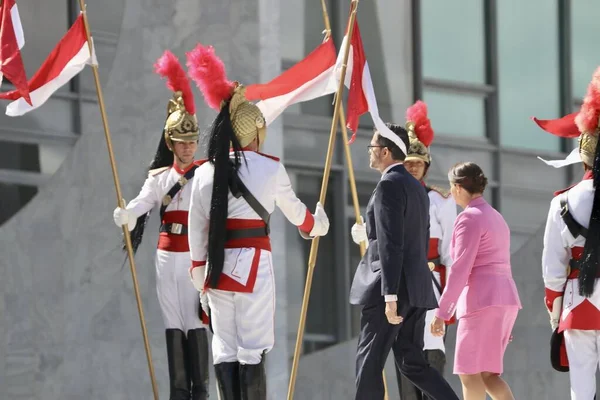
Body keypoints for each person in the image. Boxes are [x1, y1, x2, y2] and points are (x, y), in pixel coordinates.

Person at [185, 43, 330, 400]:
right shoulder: (269, 168)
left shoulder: (205, 172)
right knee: (252, 350)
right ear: (253, 133)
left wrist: (199, 274)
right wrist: (318, 223)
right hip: (253, 267)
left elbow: (196, 229)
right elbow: (300, 217)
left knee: (225, 348)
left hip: (215, 270)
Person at [112, 51, 209, 400]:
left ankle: (201, 390)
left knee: (195, 321)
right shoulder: (159, 178)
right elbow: (141, 203)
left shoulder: (205, 175)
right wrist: (127, 214)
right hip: (166, 255)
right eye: (181, 142)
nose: (187, 148)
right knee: (173, 322)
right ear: (170, 144)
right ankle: (178, 391)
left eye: (192, 141)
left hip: (195, 256)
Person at [349, 122, 459, 400]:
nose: (370, 152)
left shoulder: (388, 184)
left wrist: (389, 295)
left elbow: (390, 243)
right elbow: (418, 241)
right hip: (416, 287)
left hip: (390, 288)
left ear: (385, 151)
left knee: (370, 361)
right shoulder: (417, 188)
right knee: (413, 363)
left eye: (373, 147)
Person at [533, 67, 600, 399]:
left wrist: (555, 307)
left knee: (582, 388)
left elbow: (552, 267)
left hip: (579, 302)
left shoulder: (563, 201)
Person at [430, 162, 521, 400]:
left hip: (481, 302)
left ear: (459, 187)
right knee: (488, 375)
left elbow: (460, 270)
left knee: (469, 374)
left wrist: (442, 312)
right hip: (505, 300)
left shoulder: (468, 218)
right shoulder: (496, 216)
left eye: (452, 187)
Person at [391, 101, 458, 400]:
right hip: (400, 282)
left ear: (426, 166)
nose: (412, 167)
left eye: (417, 163)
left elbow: (451, 254)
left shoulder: (441, 202)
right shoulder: (390, 196)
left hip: (431, 283)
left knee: (431, 349)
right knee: (404, 350)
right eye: (407, 163)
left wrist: (450, 301)